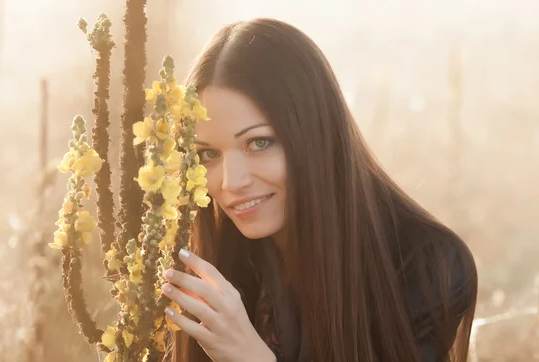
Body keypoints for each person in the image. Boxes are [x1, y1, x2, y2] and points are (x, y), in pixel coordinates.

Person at [159, 17, 478, 362]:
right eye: (208, 154)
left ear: (315, 135)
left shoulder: (426, 268)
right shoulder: (220, 262)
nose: (230, 182)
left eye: (259, 142)